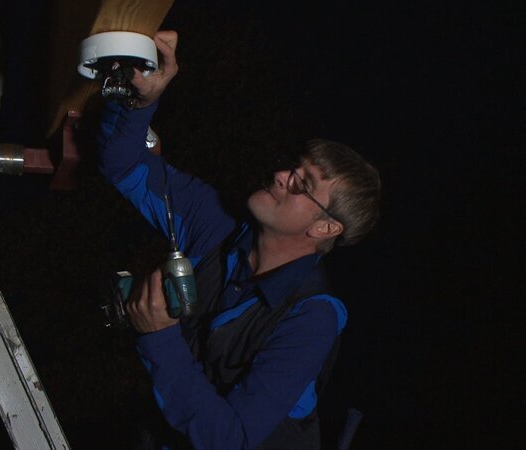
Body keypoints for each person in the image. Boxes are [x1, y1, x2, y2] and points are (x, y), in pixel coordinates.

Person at [98, 31, 381, 449]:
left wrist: (159, 336)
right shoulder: (214, 221)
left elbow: (229, 440)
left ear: (325, 228)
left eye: (302, 184)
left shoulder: (313, 317)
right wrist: (141, 101)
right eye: (293, 168)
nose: (282, 176)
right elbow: (122, 167)